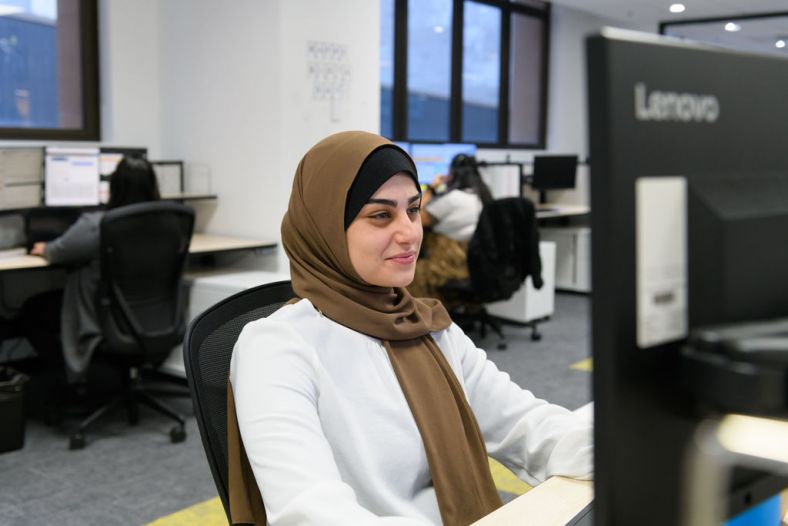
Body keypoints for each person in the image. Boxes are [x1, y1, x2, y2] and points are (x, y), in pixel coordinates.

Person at [228, 131, 592, 525]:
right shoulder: (277, 348)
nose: (410, 232)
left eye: (414, 210)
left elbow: (523, 425)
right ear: (326, 227)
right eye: (381, 215)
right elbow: (312, 511)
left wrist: (624, 448)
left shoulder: (425, 325)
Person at [28, 156, 160, 384]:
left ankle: (69, 383)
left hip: (105, 315)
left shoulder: (99, 224)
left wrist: (44, 247)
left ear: (113, 186)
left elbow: (59, 252)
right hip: (149, 315)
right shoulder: (167, 223)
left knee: (32, 313)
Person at [408, 153, 493, 304]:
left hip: (449, 262)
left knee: (411, 272)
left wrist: (431, 189)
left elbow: (415, 219)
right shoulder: (482, 195)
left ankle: (424, 315)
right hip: (473, 261)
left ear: (453, 174)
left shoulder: (453, 199)